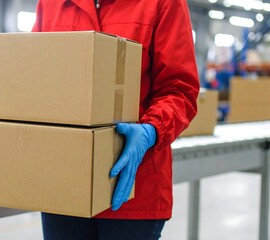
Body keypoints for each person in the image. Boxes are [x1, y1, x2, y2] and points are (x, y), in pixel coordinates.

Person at [32, 0, 200, 239]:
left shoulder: (164, 3)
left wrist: (151, 130)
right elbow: (35, 76)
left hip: (135, 190)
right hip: (64, 186)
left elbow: (179, 89)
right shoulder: (52, 3)